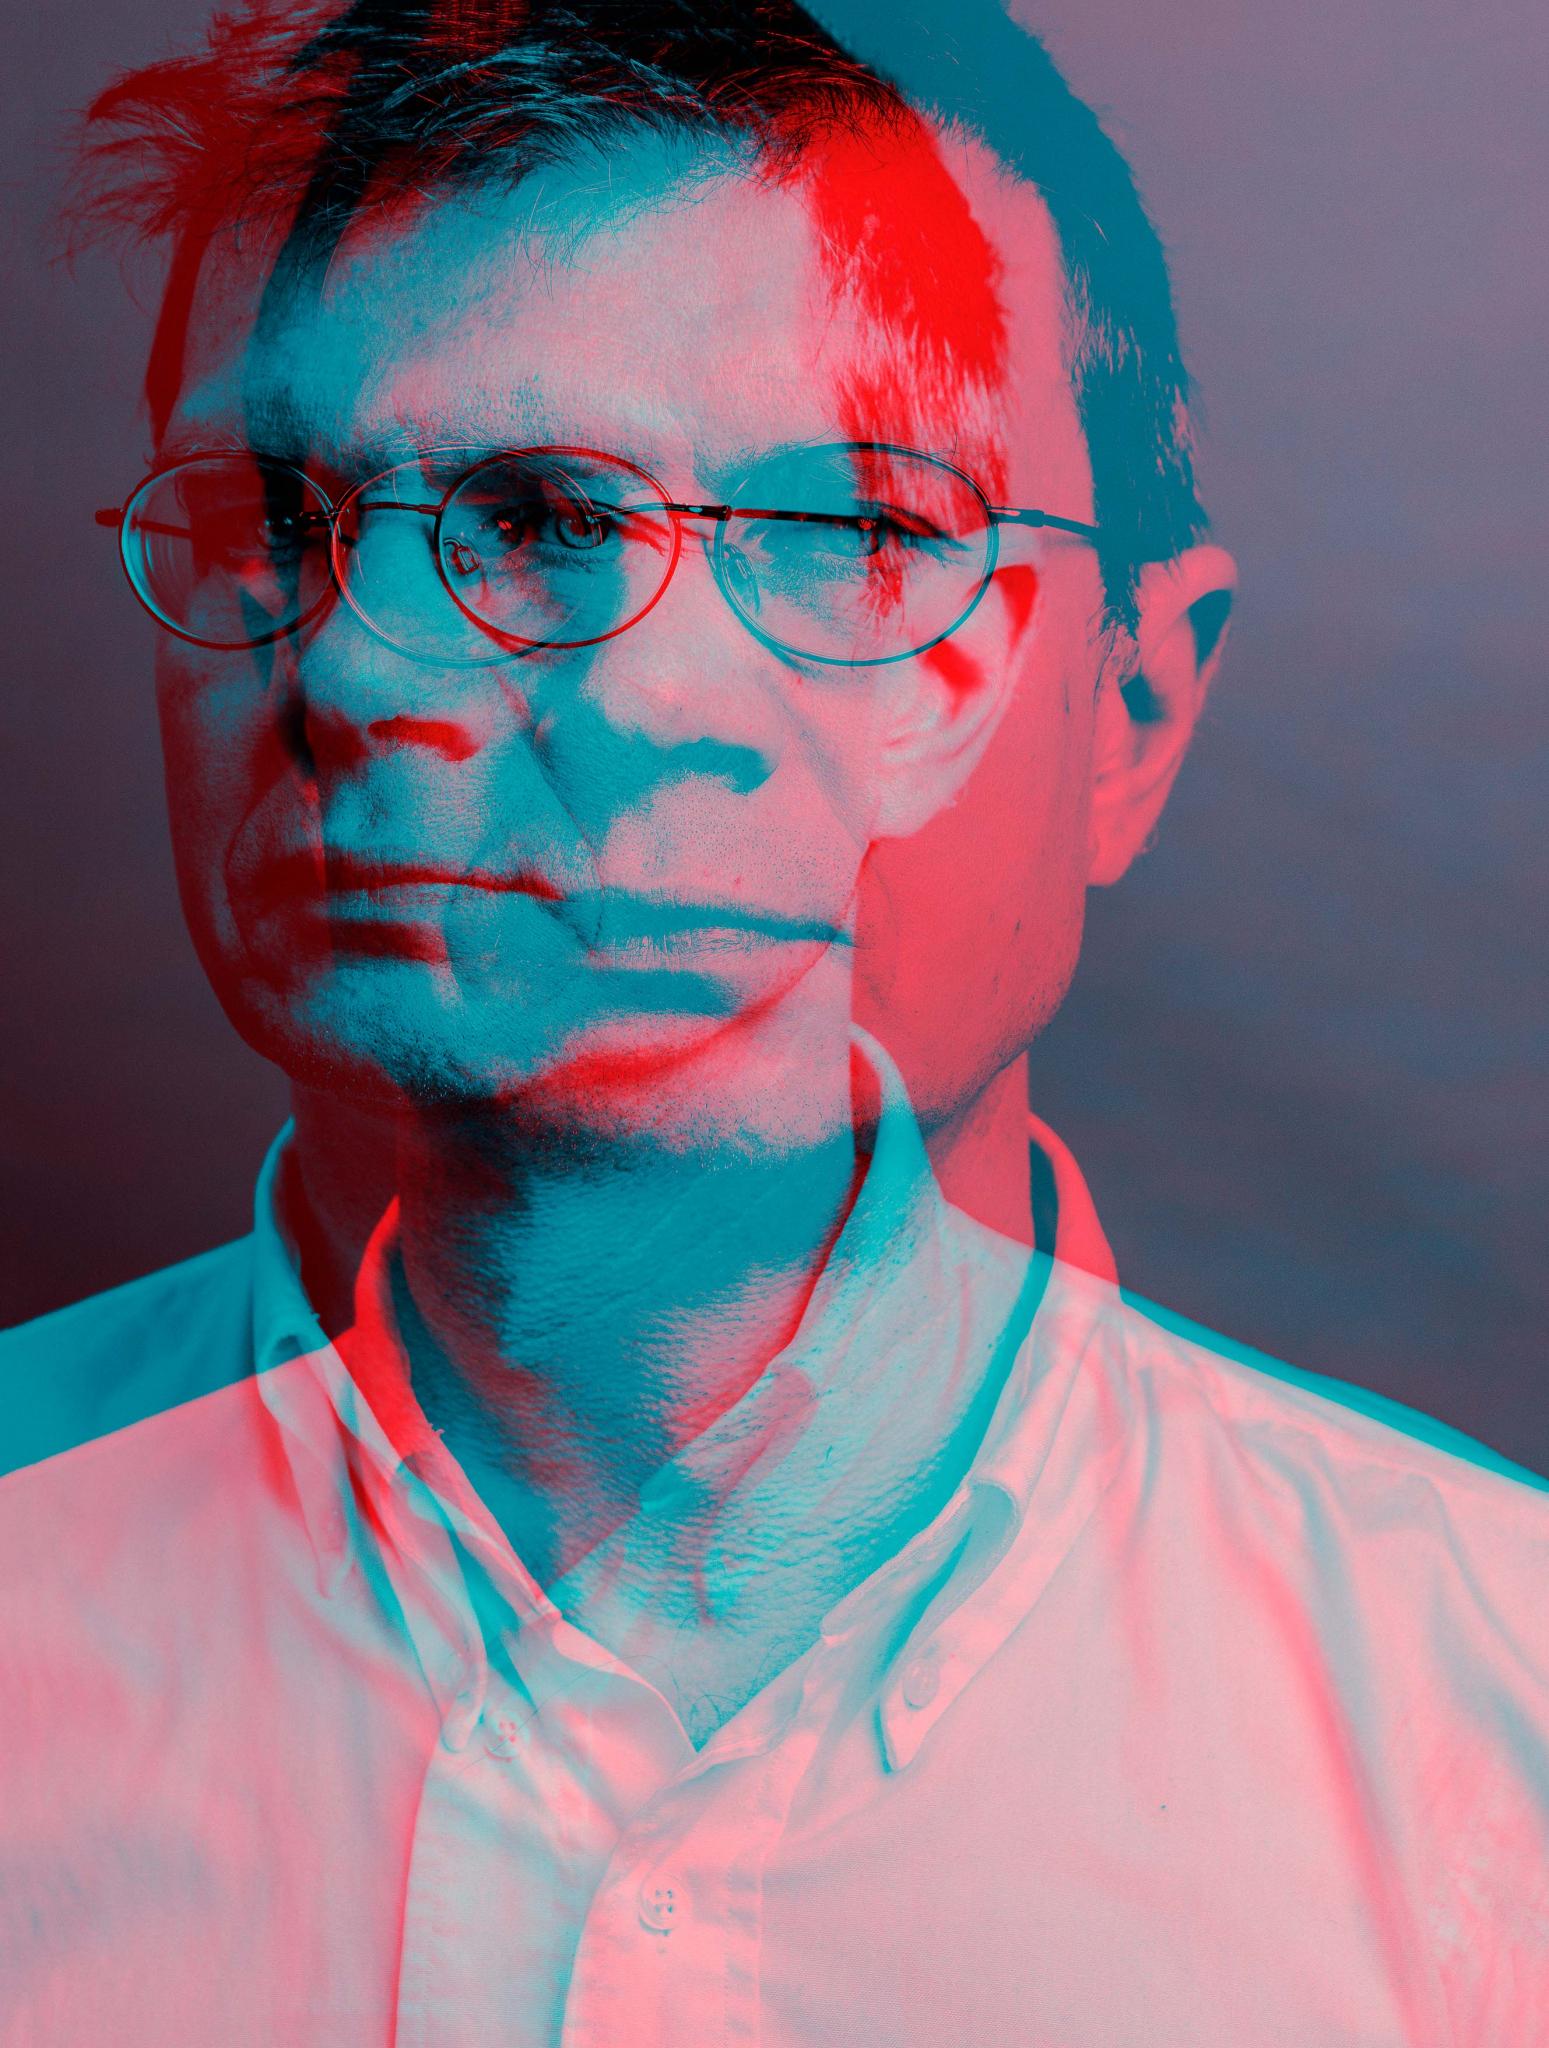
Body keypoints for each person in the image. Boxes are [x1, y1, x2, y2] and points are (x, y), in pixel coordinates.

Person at [3, 4, 1545, 2043]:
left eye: (833, 530)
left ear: (1129, 705)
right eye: (274, 518)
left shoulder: (1500, 1737)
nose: (367, 671)